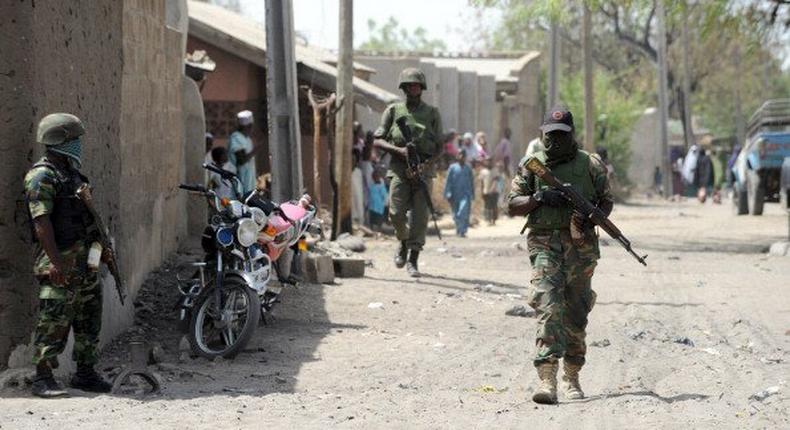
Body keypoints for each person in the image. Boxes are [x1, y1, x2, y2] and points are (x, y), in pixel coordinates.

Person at [507, 106, 613, 405]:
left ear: (572, 134)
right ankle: (547, 378)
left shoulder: (590, 165)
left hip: (580, 248)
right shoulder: (532, 165)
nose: (554, 140)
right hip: (544, 244)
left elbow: (606, 202)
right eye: (550, 135)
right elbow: (513, 204)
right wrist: (539, 197)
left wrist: (590, 217)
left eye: (560, 135)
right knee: (548, 306)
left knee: (576, 313)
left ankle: (572, 376)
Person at [23, 113, 114, 398]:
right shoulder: (41, 176)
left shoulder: (72, 173)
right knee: (54, 320)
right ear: (59, 140)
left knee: (89, 319)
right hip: (59, 262)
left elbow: (87, 218)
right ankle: (42, 377)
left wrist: (102, 251)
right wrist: (54, 261)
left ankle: (85, 373)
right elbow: (41, 222)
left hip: (84, 262)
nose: (78, 145)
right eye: (74, 139)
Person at [373, 67, 443, 278]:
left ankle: (413, 259)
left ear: (421, 88)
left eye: (416, 85)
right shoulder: (393, 111)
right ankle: (402, 242)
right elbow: (377, 139)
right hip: (399, 168)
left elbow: (440, 146)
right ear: (403, 88)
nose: (413, 88)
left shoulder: (432, 113)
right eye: (409, 85)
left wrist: (426, 164)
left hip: (423, 169)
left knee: (420, 217)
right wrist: (399, 151)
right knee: (395, 213)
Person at [228, 110, 262, 195]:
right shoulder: (236, 138)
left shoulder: (247, 139)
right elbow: (241, 160)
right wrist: (255, 150)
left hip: (248, 181)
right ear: (249, 126)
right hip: (240, 179)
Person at [444, 150, 475, 237]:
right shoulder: (452, 168)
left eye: (463, 155)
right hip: (454, 194)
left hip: (465, 194)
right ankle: (459, 229)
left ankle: (462, 231)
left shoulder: (468, 168)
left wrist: (473, 194)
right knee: (455, 214)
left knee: (463, 212)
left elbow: (472, 182)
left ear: (465, 157)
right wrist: (448, 193)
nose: (461, 156)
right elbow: (448, 181)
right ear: (457, 156)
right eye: (459, 154)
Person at [479, 158, 501, 225]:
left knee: (494, 206)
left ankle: (494, 220)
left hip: (494, 191)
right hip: (486, 191)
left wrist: (492, 189)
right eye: (487, 161)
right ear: (485, 162)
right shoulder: (483, 171)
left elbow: (496, 180)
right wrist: (482, 191)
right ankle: (488, 220)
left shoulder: (495, 170)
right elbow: (481, 182)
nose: (489, 163)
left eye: (490, 161)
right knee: (487, 206)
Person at [351, 150, 365, 225]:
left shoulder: (358, 172)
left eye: (354, 160)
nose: (352, 162)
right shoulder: (345, 174)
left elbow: (360, 190)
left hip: (358, 202)